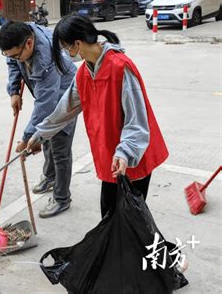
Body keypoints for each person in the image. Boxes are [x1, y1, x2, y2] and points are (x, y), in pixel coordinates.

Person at [27, 14, 168, 218]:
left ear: (77, 44)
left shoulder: (120, 67)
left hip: (133, 155)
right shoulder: (84, 72)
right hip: (112, 158)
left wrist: (124, 152)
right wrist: (39, 135)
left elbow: (136, 121)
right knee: (110, 216)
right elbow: (65, 109)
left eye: (66, 48)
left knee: (130, 218)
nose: (67, 53)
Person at [0, 21, 77, 218]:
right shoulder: (21, 34)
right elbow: (12, 61)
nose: (14, 59)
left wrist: (27, 139)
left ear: (30, 44)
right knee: (47, 140)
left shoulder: (45, 59)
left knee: (59, 148)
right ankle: (50, 178)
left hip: (65, 97)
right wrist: (14, 90)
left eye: (17, 55)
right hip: (49, 95)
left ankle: (61, 198)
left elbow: (45, 105)